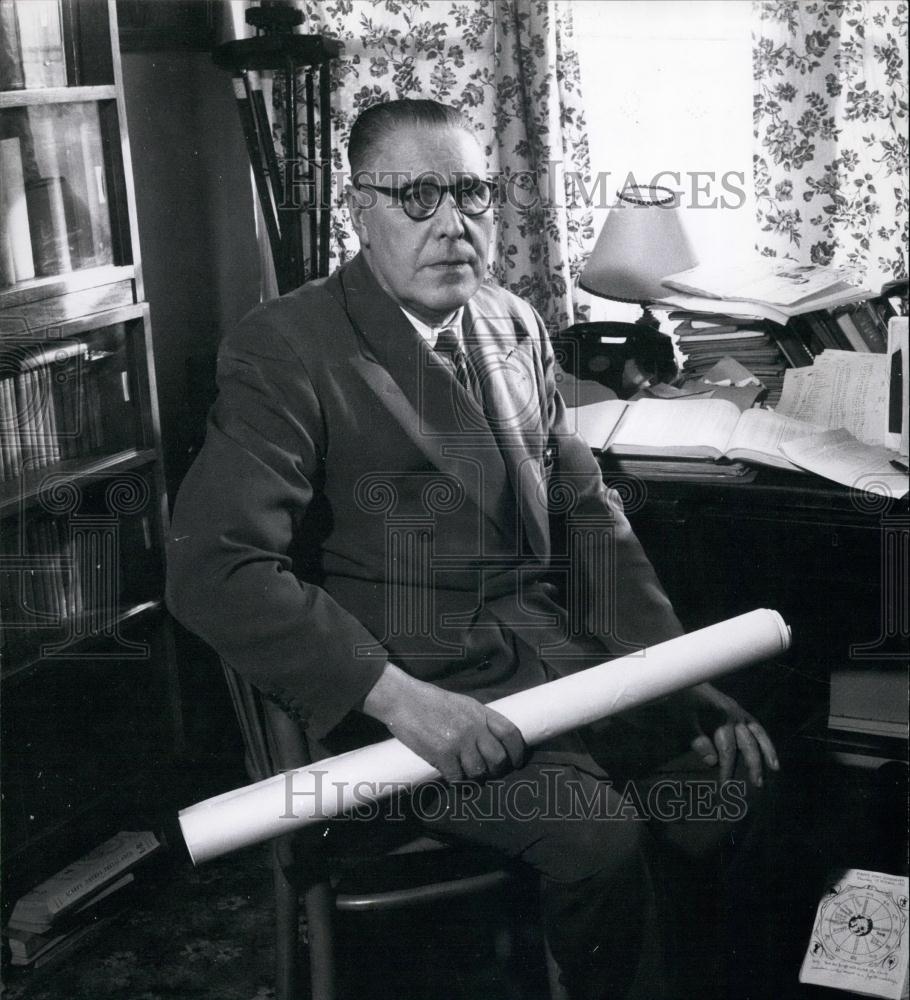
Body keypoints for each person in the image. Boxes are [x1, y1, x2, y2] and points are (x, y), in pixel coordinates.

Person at [166, 99, 778, 999]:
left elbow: (589, 518)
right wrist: (401, 700)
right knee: (600, 837)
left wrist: (677, 675)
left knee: (734, 781)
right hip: (414, 708)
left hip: (561, 674)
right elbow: (214, 566)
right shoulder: (288, 348)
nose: (453, 224)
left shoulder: (511, 322)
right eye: (416, 196)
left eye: (472, 193)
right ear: (359, 211)